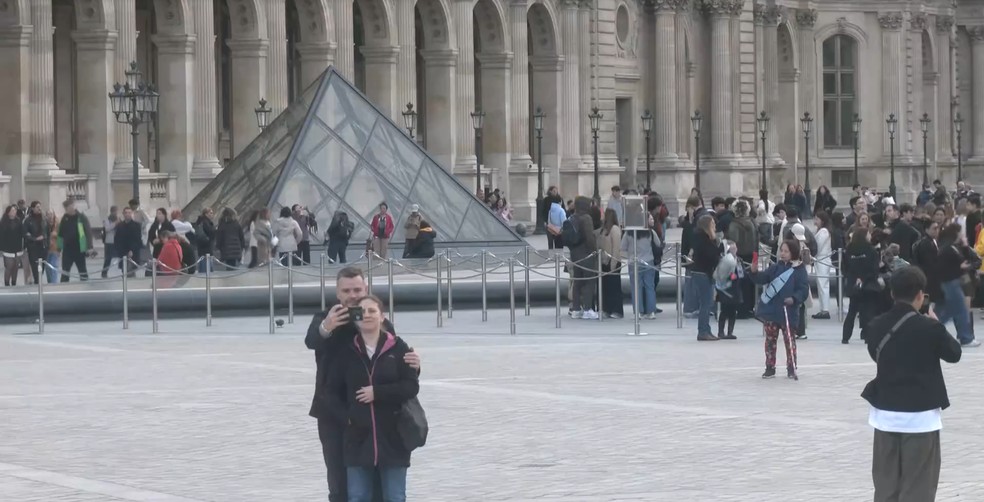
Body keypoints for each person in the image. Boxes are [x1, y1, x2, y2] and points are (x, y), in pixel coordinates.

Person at [305, 267, 420, 502]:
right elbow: (312, 341)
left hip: (375, 413)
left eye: (357, 289)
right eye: (346, 291)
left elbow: (397, 358)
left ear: (365, 289)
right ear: (338, 293)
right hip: (335, 414)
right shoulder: (326, 318)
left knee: (378, 481)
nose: (352, 295)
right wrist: (328, 326)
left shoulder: (377, 319)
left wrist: (415, 365)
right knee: (340, 481)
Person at [861, 266, 962, 502]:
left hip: (885, 415)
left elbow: (875, 355)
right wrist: (938, 326)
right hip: (920, 419)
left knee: (886, 487)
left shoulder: (876, 326)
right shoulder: (930, 328)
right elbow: (954, 353)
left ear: (892, 293)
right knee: (918, 488)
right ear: (920, 295)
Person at [751, 240, 809, 379]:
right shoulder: (775, 268)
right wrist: (754, 272)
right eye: (781, 250)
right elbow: (763, 278)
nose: (782, 253)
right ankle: (770, 367)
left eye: (786, 251)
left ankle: (791, 366)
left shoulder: (799, 270)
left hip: (788, 311)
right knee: (770, 340)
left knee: (789, 340)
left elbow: (803, 289)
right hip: (772, 310)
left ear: (793, 253)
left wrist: (794, 299)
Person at [934, 223, 980, 347]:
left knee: (952, 310)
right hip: (950, 282)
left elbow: (964, 259)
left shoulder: (953, 247)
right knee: (960, 310)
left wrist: (965, 247)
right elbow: (945, 267)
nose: (962, 235)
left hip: (954, 281)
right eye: (960, 232)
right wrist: (961, 267)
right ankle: (966, 338)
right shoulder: (947, 249)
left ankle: (935, 327)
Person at [843, 228, 881, 344]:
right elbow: (874, 269)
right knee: (867, 312)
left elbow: (844, 268)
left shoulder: (848, 250)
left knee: (852, 311)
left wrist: (854, 278)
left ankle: (845, 337)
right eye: (869, 234)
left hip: (853, 284)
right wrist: (864, 279)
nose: (870, 236)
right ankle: (867, 335)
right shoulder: (871, 251)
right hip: (868, 285)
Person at [692, 214, 724, 341]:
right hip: (702, 272)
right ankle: (703, 331)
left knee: (707, 303)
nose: (715, 227)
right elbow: (710, 255)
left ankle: (706, 329)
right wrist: (720, 247)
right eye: (713, 224)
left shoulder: (702, 238)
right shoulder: (703, 238)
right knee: (706, 303)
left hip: (702, 272)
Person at [568, 196, 599, 320]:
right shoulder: (586, 218)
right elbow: (590, 238)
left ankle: (576, 309)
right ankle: (587, 309)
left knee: (577, 282)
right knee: (589, 281)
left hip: (575, 254)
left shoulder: (572, 217)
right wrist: (595, 251)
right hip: (586, 254)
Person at [726, 200, 758, 318]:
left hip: (739, 256)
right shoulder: (752, 222)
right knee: (750, 282)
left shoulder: (734, 224)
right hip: (752, 255)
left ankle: (742, 308)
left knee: (740, 282)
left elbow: (733, 242)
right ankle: (750, 306)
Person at [58, 200, 95, 282]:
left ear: (73, 206)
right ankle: (63, 287)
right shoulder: (65, 218)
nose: (66, 209)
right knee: (65, 271)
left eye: (68, 207)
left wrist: (90, 247)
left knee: (82, 270)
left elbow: (88, 232)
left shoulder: (81, 217)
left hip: (79, 248)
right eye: (65, 208)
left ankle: (85, 286)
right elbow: (60, 233)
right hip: (67, 249)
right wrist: (59, 248)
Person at [598, 208, 623, 319]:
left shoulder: (615, 229)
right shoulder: (604, 230)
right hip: (604, 262)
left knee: (614, 287)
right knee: (606, 287)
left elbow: (616, 248)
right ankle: (606, 308)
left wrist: (613, 263)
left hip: (613, 262)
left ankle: (617, 310)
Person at [812, 211, 833, 320]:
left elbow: (818, 246)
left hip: (822, 259)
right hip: (820, 259)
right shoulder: (821, 231)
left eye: (817, 219)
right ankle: (823, 308)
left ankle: (825, 309)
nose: (815, 221)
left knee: (823, 284)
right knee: (821, 284)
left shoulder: (824, 232)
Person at [22, 202, 47, 284]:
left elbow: (47, 231)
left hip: (43, 247)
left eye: (40, 206)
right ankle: (37, 283)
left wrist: (44, 237)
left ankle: (39, 282)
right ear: (32, 208)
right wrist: (35, 239)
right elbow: (25, 233)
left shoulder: (43, 218)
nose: (39, 208)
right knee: (35, 269)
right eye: (37, 207)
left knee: (42, 268)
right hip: (33, 248)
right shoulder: (28, 220)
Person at [114, 207, 144, 277]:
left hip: (133, 252)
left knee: (131, 271)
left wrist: (132, 250)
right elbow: (117, 238)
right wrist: (118, 249)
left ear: (131, 214)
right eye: (126, 212)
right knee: (124, 271)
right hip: (122, 252)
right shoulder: (120, 225)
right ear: (123, 214)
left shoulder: (136, 225)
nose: (127, 214)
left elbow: (137, 239)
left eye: (129, 212)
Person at [0, 205, 25, 286]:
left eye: (15, 210)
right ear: (8, 212)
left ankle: (14, 282)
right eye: (12, 211)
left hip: (17, 248)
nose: (14, 212)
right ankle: (7, 283)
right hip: (7, 248)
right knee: (9, 266)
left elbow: (22, 233)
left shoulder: (19, 221)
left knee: (16, 267)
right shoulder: (3, 222)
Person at [193, 208, 217, 273]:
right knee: (206, 269)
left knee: (204, 266)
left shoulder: (201, 221)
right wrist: (215, 230)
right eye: (211, 213)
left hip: (203, 247)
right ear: (206, 214)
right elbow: (210, 232)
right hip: (206, 247)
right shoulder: (205, 222)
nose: (212, 214)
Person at [101, 206, 119, 278]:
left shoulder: (118, 219)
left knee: (122, 257)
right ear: (112, 212)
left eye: (116, 212)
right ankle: (104, 272)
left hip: (117, 241)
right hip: (109, 241)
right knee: (108, 258)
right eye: (115, 212)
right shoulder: (106, 220)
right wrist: (115, 223)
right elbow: (107, 229)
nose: (115, 213)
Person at [44, 210, 60, 283]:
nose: (50, 216)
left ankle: (54, 283)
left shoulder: (57, 224)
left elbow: (61, 235)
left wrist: (55, 235)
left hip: (55, 249)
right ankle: (50, 282)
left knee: (53, 265)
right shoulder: (44, 223)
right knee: (47, 267)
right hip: (47, 249)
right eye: (48, 214)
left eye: (51, 214)